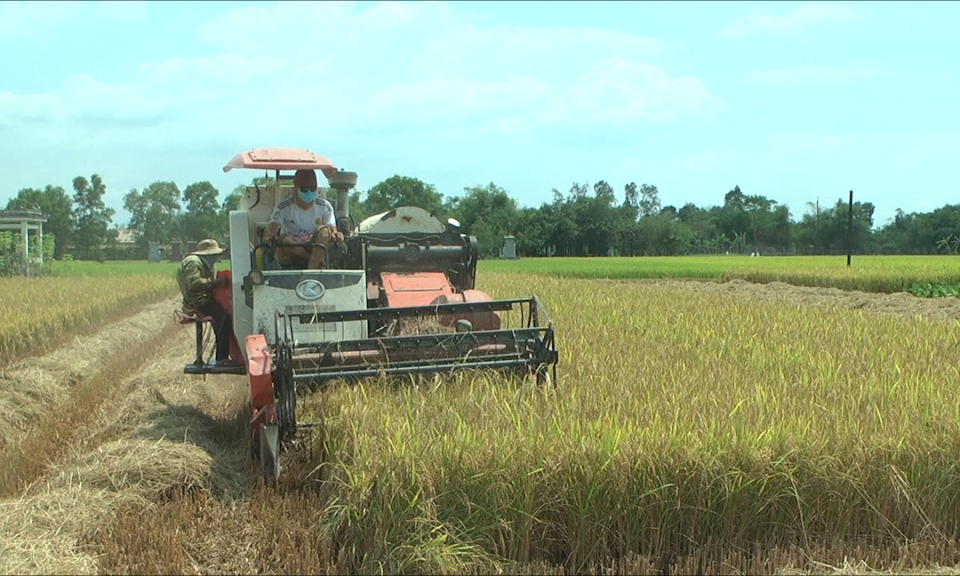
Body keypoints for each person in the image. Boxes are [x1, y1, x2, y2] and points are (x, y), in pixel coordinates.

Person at [265, 168, 344, 269]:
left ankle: (309, 272)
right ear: (295, 187)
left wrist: (337, 235)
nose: (309, 192)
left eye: (312, 189)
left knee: (324, 232)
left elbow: (333, 231)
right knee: (285, 240)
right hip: (290, 252)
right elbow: (273, 229)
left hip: (314, 247)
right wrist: (270, 233)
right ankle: (315, 261)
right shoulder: (283, 207)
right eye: (304, 189)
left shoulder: (325, 206)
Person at [176, 238, 238, 367]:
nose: (216, 258)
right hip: (198, 300)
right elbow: (195, 284)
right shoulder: (194, 263)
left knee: (223, 317)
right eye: (214, 255)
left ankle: (223, 354)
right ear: (208, 254)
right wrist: (217, 282)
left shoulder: (198, 262)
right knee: (224, 320)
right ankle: (221, 358)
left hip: (201, 298)